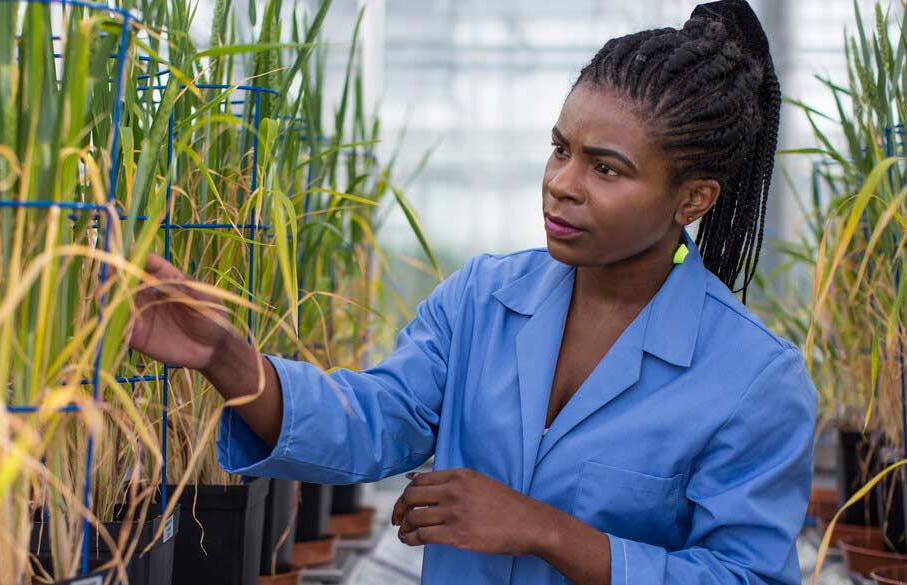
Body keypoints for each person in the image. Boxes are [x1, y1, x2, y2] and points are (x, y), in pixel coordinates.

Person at [127, 1, 816, 583]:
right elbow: (373, 420)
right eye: (560, 148)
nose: (563, 183)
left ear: (692, 198)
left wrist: (543, 529)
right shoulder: (483, 299)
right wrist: (223, 353)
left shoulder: (754, 378)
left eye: (607, 168)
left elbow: (744, 573)